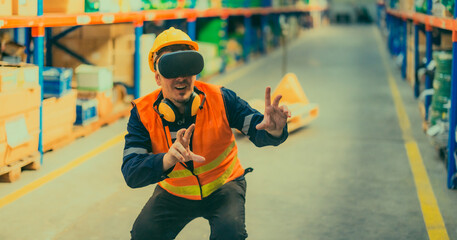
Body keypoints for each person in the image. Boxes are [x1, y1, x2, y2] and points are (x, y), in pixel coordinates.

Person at [122, 27, 291, 240]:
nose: (180, 77)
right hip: (176, 193)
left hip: (224, 186)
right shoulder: (142, 113)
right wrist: (166, 159)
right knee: (144, 234)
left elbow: (258, 129)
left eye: (186, 67)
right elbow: (132, 172)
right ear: (157, 78)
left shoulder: (220, 98)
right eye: (170, 69)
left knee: (230, 234)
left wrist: (274, 130)